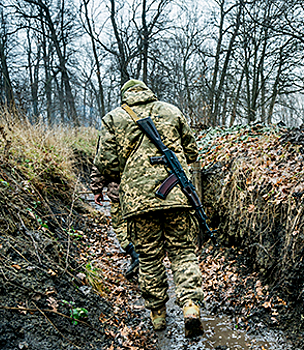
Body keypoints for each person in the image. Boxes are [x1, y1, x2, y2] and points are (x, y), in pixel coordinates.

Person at [94, 79, 203, 336]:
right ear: (148, 92)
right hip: (177, 195)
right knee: (183, 252)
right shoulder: (172, 110)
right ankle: (190, 306)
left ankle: (158, 315)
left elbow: (106, 164)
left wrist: (132, 171)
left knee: (149, 258)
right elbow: (192, 151)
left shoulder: (113, 118)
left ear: (125, 96)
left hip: (138, 202)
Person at [89, 166, 139, 281]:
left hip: (120, 192)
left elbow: (102, 162)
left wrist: (97, 189)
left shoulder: (111, 146)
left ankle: (135, 254)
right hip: (148, 191)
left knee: (121, 226)